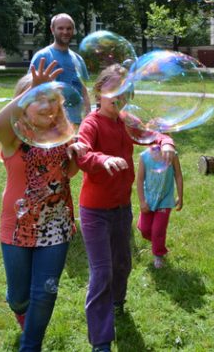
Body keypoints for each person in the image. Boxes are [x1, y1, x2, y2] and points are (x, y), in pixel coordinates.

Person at [75, 64, 176, 352]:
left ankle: (117, 302)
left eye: (123, 91)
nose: (117, 97)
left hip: (121, 208)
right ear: (99, 91)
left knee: (122, 265)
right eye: (112, 90)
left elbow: (152, 134)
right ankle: (101, 340)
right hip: (94, 211)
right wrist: (101, 160)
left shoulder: (124, 120)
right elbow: (82, 153)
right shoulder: (91, 123)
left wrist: (166, 142)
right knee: (102, 272)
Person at [0, 60, 83, 351]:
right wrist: (31, 87)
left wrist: (75, 155)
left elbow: (69, 173)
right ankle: (22, 312)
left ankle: (30, 345)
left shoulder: (63, 135)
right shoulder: (13, 138)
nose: (49, 107)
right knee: (20, 296)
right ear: (23, 105)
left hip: (56, 224)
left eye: (52, 100)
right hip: (17, 226)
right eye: (38, 99)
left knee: (44, 293)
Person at [30, 13, 90, 121]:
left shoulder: (78, 60)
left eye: (69, 28)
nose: (65, 32)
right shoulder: (42, 57)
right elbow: (29, 90)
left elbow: (84, 91)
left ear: (73, 30)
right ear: (52, 30)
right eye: (60, 28)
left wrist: (88, 116)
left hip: (76, 122)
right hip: (50, 122)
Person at [135, 145, 184, 269]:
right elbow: (139, 180)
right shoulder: (144, 157)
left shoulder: (172, 156)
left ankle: (158, 254)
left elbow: (178, 175)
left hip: (165, 200)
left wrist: (180, 196)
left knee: (158, 231)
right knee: (145, 230)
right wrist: (142, 201)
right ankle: (156, 240)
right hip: (148, 200)